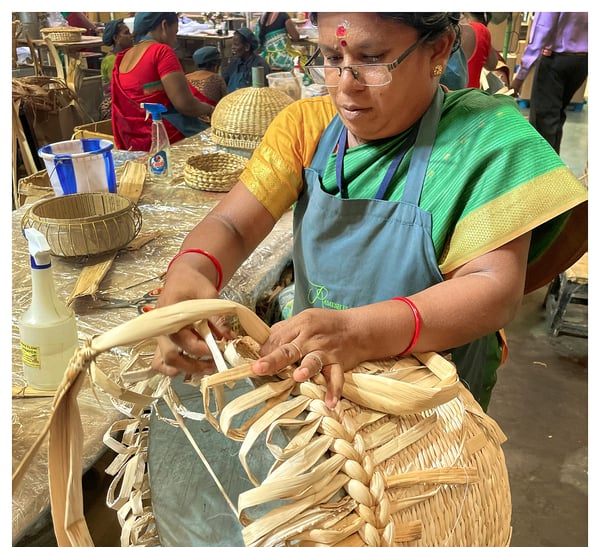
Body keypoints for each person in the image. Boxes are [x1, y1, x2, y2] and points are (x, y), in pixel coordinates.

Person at [151, 13, 587, 412]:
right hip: (319, 377)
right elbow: (231, 223)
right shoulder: (306, 128)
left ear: (437, 49)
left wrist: (358, 331)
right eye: (330, 57)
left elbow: (493, 288)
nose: (345, 85)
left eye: (372, 59)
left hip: (428, 396)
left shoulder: (488, 141)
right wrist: (191, 272)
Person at [111, 12, 214, 151]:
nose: (175, 40)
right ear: (164, 26)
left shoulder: (123, 57)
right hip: (163, 139)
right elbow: (185, 105)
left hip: (133, 140)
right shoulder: (161, 51)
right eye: (175, 32)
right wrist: (210, 110)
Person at [510, 12, 588, 154]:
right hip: (581, 61)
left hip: (556, 60)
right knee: (555, 118)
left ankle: (542, 171)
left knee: (543, 122)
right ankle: (554, 166)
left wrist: (520, 77)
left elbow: (542, 29)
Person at [99, 19, 134, 120]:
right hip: (113, 107)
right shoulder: (111, 60)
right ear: (116, 38)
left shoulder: (126, 56)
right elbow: (119, 87)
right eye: (126, 33)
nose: (131, 35)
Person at [222, 28, 270, 92]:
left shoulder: (259, 65)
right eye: (232, 44)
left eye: (236, 44)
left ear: (247, 47)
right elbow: (224, 81)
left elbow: (260, 91)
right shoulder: (234, 62)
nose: (232, 47)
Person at [460, 12, 499, 89]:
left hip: (446, 95)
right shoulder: (482, 31)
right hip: (470, 95)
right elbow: (492, 64)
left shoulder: (456, 29)